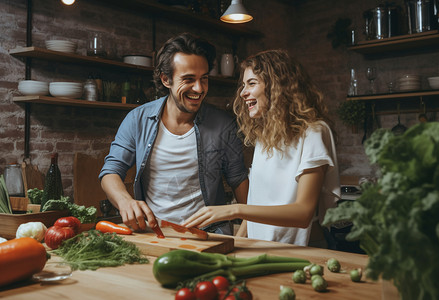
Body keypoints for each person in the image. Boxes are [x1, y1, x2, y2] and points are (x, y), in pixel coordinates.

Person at [183, 49, 340, 247]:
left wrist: (234, 209)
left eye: (252, 83)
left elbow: (303, 213)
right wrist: (235, 244)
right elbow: (256, 206)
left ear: (277, 87)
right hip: (265, 247)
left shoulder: (314, 132)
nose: (242, 92)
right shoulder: (266, 137)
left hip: (302, 250)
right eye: (243, 85)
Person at [99, 33, 249, 235]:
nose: (199, 88)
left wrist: (246, 234)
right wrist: (124, 201)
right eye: (188, 79)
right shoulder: (137, 120)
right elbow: (111, 171)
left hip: (209, 234)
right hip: (154, 232)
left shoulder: (224, 124)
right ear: (166, 79)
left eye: (203, 79)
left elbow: (239, 180)